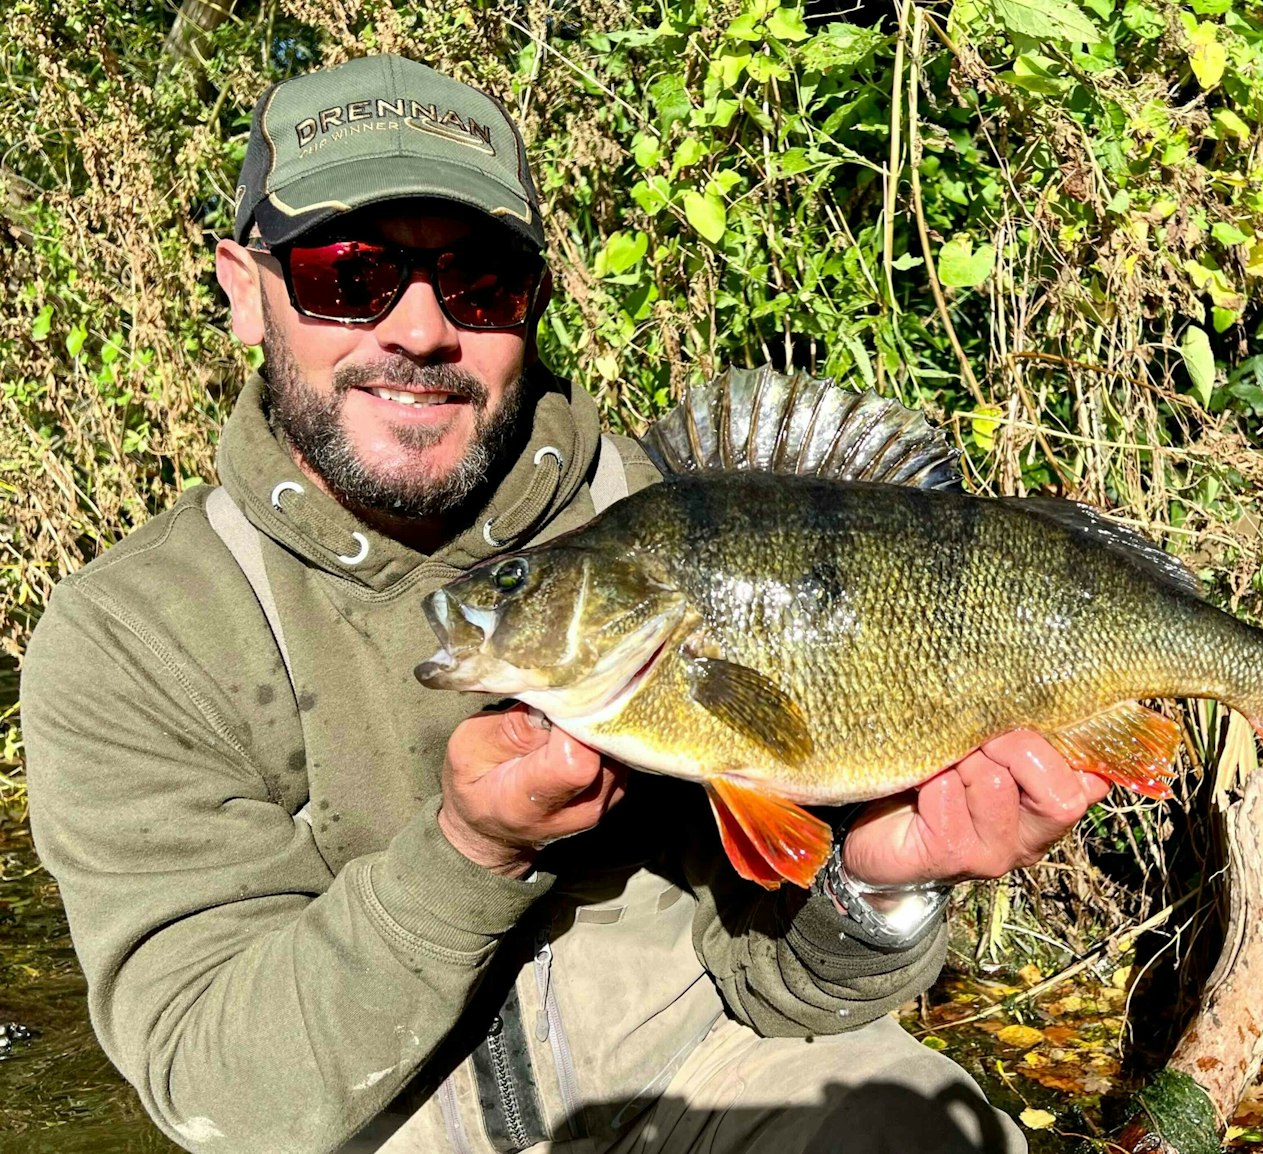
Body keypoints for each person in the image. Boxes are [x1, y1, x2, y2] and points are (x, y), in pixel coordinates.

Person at [21, 54, 1110, 1154]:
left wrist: (882, 884)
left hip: (698, 1081)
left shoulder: (652, 512)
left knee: (933, 1132)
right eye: (348, 274)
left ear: (531, 301)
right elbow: (224, 1092)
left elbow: (796, 995)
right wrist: (467, 852)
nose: (418, 329)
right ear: (245, 290)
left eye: (479, 279)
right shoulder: (134, 634)